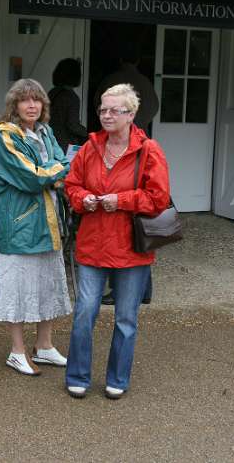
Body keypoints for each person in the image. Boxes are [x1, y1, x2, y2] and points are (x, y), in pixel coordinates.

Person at [63, 83, 171, 399]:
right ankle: (78, 376)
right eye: (102, 110)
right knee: (84, 313)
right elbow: (72, 186)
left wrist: (120, 200)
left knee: (125, 318)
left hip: (130, 249)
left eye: (114, 110)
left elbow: (159, 198)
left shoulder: (149, 150)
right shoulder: (90, 147)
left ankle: (117, 379)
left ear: (131, 114)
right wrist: (86, 200)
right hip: (93, 244)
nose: (106, 115)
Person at [0, 78, 72, 376]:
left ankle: (44, 346)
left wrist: (54, 173)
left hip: (48, 222)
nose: (32, 105)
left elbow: (62, 162)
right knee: (18, 288)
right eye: (25, 100)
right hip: (20, 224)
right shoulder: (6, 136)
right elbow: (31, 176)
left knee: (47, 284)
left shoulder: (45, 132)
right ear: (15, 105)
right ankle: (17, 351)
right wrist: (55, 176)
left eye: (37, 100)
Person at [94, 47, 160, 306]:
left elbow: (99, 105)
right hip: (138, 143)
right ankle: (143, 290)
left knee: (123, 230)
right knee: (142, 228)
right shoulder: (145, 83)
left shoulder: (110, 83)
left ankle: (127, 289)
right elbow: (153, 106)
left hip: (127, 153)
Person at [48, 58, 87, 151]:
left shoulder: (52, 93)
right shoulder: (71, 98)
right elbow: (72, 125)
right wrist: (86, 133)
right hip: (65, 146)